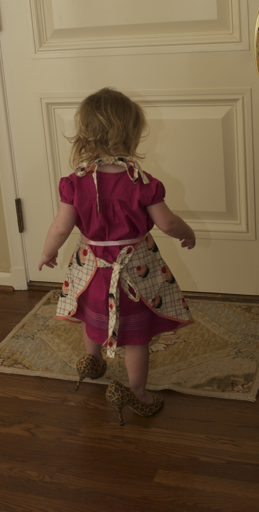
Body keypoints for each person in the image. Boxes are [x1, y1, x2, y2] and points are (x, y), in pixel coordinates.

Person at [38, 88, 195, 425]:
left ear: (86, 134)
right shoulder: (143, 183)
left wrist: (48, 252)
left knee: (91, 317)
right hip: (134, 274)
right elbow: (167, 223)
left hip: (91, 270)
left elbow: (60, 227)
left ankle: (93, 361)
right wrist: (187, 233)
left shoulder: (75, 183)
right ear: (131, 134)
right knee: (136, 337)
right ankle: (137, 392)